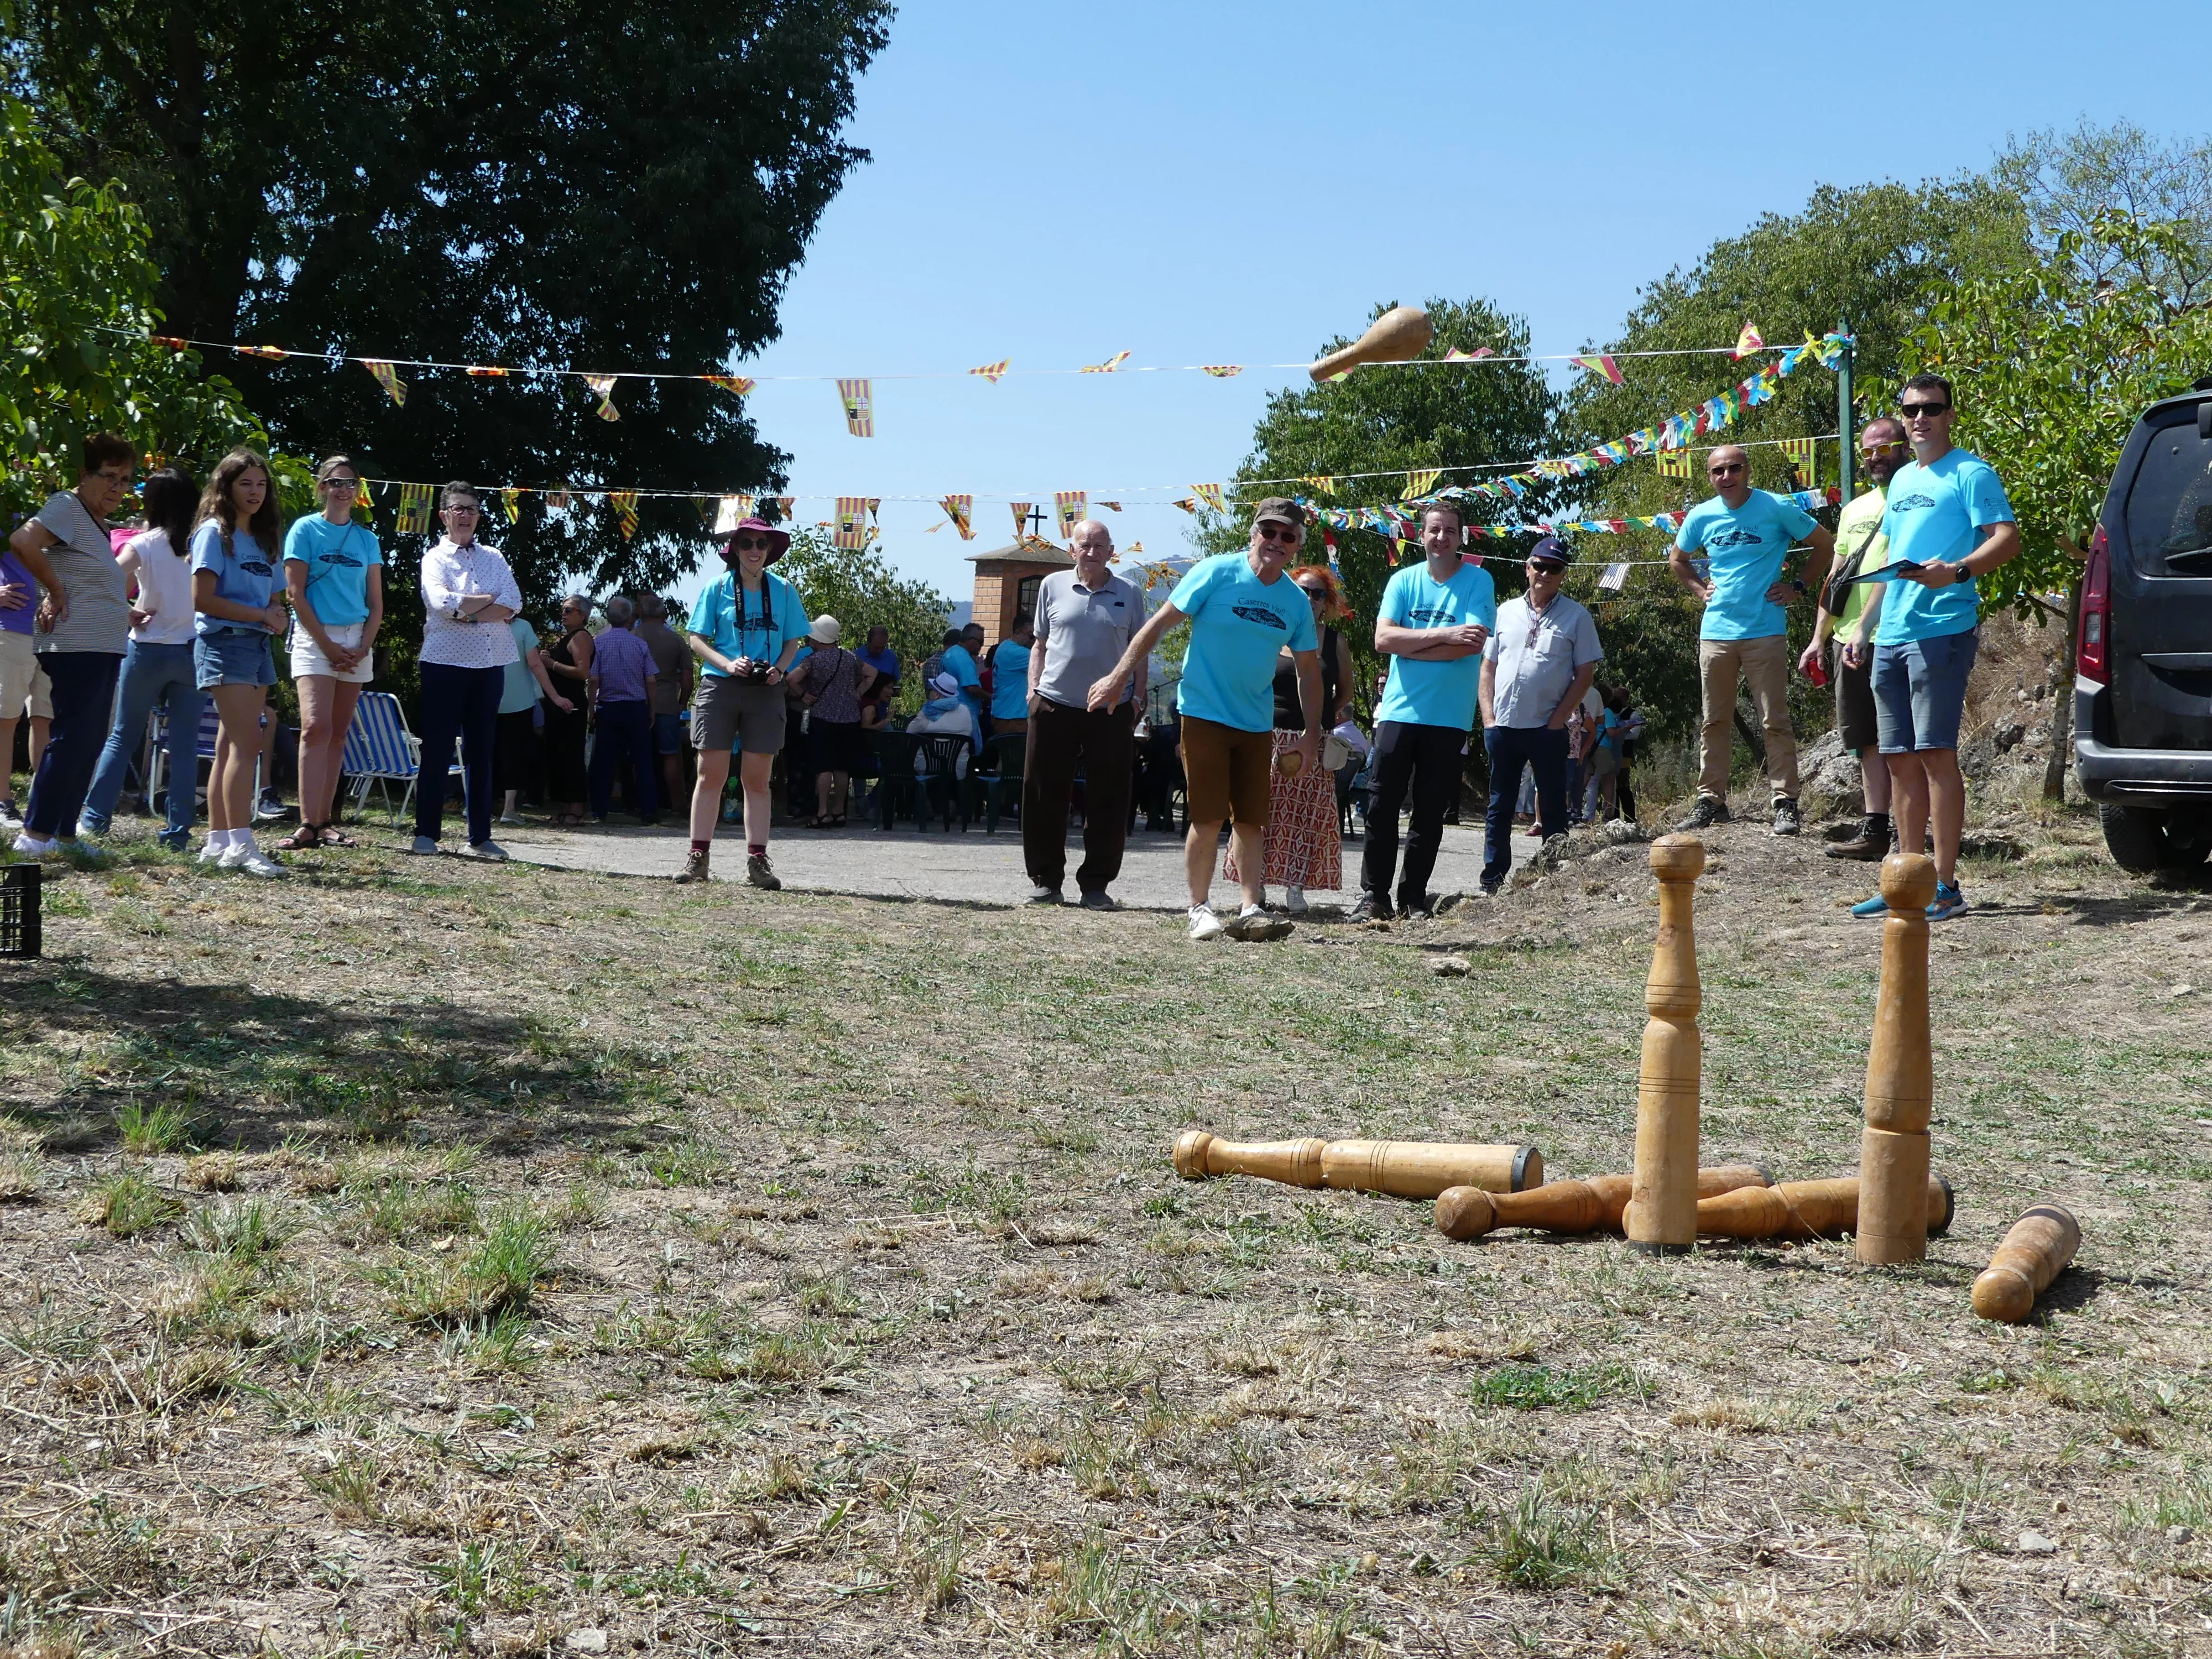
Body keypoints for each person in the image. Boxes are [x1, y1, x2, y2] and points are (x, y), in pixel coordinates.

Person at [1093, 498, 1319, 941]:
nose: (1276, 541)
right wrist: (1118, 676)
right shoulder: (1217, 572)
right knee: (1208, 817)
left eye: (1287, 536)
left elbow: (1310, 672)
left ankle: (1251, 908)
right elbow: (1159, 624)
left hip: (1257, 723)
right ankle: (1199, 908)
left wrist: (1312, 736)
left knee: (1252, 821)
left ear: (1296, 546)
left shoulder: (1295, 601)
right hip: (1202, 714)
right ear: (1255, 533)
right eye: (1269, 532)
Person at [1849, 376, 2020, 922]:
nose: (1919, 418)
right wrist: (1863, 626)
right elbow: (1893, 556)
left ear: (1949, 414)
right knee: (1897, 761)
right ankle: (1909, 877)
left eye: (1930, 409)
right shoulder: (1901, 480)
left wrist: (1959, 572)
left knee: (1935, 755)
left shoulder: (1971, 473)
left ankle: (1946, 887)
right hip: (1891, 633)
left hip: (1941, 629)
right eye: (1910, 410)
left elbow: (2006, 538)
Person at [1668, 444, 1836, 835]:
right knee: (1714, 720)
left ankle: (1785, 802)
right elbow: (1678, 558)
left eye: (1734, 468)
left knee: (1773, 719)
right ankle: (1711, 800)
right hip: (1716, 633)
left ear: (1748, 470)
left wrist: (1798, 585)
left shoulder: (1775, 507)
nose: (1726, 477)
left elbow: (1825, 544)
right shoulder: (1700, 515)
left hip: (1765, 630)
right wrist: (1698, 590)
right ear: (1709, 477)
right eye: (1718, 471)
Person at [1358, 503, 1495, 919]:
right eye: (1434, 530)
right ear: (1421, 535)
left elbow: (1472, 644)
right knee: (1381, 807)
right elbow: (1383, 640)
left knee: (1430, 813)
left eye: (1450, 531)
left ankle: (1413, 898)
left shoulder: (1478, 580)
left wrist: (1412, 642)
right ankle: (1374, 897)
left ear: (1461, 537)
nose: (1441, 538)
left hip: (1448, 718)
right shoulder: (1403, 580)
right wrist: (1445, 634)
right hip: (1399, 713)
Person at [8, 433, 138, 855]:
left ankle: (64, 835)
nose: (117, 488)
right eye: (109, 477)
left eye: (125, 480)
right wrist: (56, 590)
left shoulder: (99, 525)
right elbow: (23, 541)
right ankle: (35, 834)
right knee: (71, 736)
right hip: (74, 644)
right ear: (85, 475)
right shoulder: (67, 505)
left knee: (90, 740)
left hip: (103, 646)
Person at [1801, 419, 1908, 861]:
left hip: (1900, 633)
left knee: (1905, 739)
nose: (1875, 457)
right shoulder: (1853, 510)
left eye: (1885, 447)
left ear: (1904, 446)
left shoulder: (1917, 498)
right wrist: (1818, 638)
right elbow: (1836, 577)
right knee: (1867, 742)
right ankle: (1876, 830)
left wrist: (1866, 629)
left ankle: (1910, 833)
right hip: (1851, 642)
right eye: (1868, 451)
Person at [79, 467, 204, 848]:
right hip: (192, 651)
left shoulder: (145, 542)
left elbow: (104, 579)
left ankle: (95, 819)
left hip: (147, 648)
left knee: (121, 736)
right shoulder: (205, 543)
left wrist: (126, 609)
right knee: (185, 746)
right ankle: (178, 834)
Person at [1022, 519, 1144, 907]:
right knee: (1043, 793)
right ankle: (1046, 880)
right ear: (1072, 550)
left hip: (1111, 709)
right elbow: (1039, 644)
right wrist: (1032, 692)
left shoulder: (1130, 592)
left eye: (1100, 546)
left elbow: (1139, 651)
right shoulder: (1051, 586)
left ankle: (1096, 885)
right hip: (1054, 704)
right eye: (1085, 545)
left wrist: (1138, 699)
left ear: (1112, 551)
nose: (1092, 552)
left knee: (1108, 798)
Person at [680, 517, 808, 886]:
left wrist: (780, 672)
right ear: (734, 549)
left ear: (770, 551)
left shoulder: (783, 590)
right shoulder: (717, 587)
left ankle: (758, 861)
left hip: (766, 691)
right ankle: (698, 857)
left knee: (758, 780)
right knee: (711, 776)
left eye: (761, 544)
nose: (754, 550)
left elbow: (792, 642)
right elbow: (696, 638)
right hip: (720, 686)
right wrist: (727, 663)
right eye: (747, 543)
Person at [181, 447, 291, 876]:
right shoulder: (213, 532)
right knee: (248, 746)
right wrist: (263, 614)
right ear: (225, 487)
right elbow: (202, 599)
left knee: (231, 745)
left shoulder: (265, 539)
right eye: (245, 483)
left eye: (261, 484)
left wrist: (277, 614)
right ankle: (242, 847)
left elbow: (276, 595)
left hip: (258, 646)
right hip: (224, 644)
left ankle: (218, 842)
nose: (255, 491)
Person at [266, 455, 382, 852]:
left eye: (350, 482)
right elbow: (294, 594)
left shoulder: (368, 540)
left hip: (356, 639)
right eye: (335, 482)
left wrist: (362, 646)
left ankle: (327, 822)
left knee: (338, 733)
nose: (343, 489)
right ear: (323, 487)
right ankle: (307, 823)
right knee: (315, 727)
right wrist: (329, 646)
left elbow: (377, 603)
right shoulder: (304, 530)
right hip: (315, 636)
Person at [1225, 565, 1355, 914]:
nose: (1310, 599)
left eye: (1318, 594)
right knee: (1260, 812)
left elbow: (1343, 693)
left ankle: (1296, 887)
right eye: (1303, 591)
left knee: (1306, 817)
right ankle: (1257, 886)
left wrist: (1318, 721)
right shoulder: (1269, 633)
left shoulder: (1334, 641)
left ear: (1327, 602)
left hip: (1312, 739)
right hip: (1266, 736)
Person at [1479, 537, 1603, 894]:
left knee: (1552, 805)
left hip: (1548, 728)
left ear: (1563, 574)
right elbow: (1488, 666)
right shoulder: (1503, 612)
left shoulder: (1577, 617)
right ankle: (1493, 882)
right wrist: (1488, 717)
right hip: (1503, 725)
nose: (1545, 573)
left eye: (1555, 568)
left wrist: (1558, 719)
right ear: (1527, 567)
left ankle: (1553, 879)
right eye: (1540, 565)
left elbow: (1585, 674)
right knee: (1499, 807)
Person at [411, 481, 523, 860]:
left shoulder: (494, 556)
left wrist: (469, 611)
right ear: (443, 516)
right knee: (438, 748)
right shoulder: (434, 558)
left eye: (472, 509)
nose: (465, 516)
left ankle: (480, 836)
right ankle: (426, 833)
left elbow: (514, 603)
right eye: (458, 509)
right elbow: (441, 602)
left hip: (491, 663)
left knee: (482, 750)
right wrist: (485, 607)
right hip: (444, 662)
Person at [788, 614, 872, 828]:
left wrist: (804, 695)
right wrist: (858, 693)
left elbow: (791, 679)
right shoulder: (850, 657)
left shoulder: (813, 660)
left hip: (822, 718)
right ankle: (839, 812)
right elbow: (872, 673)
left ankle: (823, 812)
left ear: (818, 640)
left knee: (823, 767)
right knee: (842, 769)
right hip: (850, 719)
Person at [587, 594, 659, 825]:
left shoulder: (598, 643)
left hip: (608, 708)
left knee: (604, 761)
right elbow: (651, 680)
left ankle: (599, 809)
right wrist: (652, 709)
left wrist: (591, 709)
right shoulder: (640, 644)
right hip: (636, 708)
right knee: (643, 761)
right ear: (630, 619)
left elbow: (594, 680)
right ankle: (649, 810)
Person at [497, 612, 571, 823]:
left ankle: (479, 803)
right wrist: (555, 696)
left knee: (486, 751)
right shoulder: (522, 627)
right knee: (513, 754)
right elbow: (536, 664)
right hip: (519, 702)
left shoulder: (481, 624)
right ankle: (509, 809)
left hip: (487, 699)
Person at [0, 540, 52, 830]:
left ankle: (43, 802)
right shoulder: (9, 505)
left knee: (44, 717)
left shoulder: (59, 512)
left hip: (52, 634)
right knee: (5, 719)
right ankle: (3, 801)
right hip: (11, 631)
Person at [634, 594, 694, 814]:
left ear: (641, 612)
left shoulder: (634, 637)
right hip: (668, 702)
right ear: (663, 614)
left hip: (639, 702)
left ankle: (640, 802)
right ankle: (678, 802)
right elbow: (688, 677)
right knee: (671, 754)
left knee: (639, 754)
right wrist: (682, 703)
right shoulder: (676, 639)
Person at [539, 596, 594, 824]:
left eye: (569, 610)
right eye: (562, 610)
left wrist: (551, 664)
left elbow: (583, 673)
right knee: (558, 755)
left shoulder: (581, 637)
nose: (563, 614)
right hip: (557, 705)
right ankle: (564, 806)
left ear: (582, 615)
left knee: (570, 755)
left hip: (571, 704)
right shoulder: (567, 637)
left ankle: (577, 808)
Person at [987, 615, 1034, 741]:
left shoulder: (1004, 647)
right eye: (1031, 635)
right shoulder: (1017, 653)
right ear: (1018, 632)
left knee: (1006, 757)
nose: (1033, 640)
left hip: (1003, 713)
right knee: (1017, 758)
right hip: (1014, 717)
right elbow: (1047, 662)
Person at [856, 624, 899, 688]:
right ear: (868, 642)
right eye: (876, 648)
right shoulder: (856, 656)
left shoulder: (890, 656)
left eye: (883, 648)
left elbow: (895, 682)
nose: (879, 651)